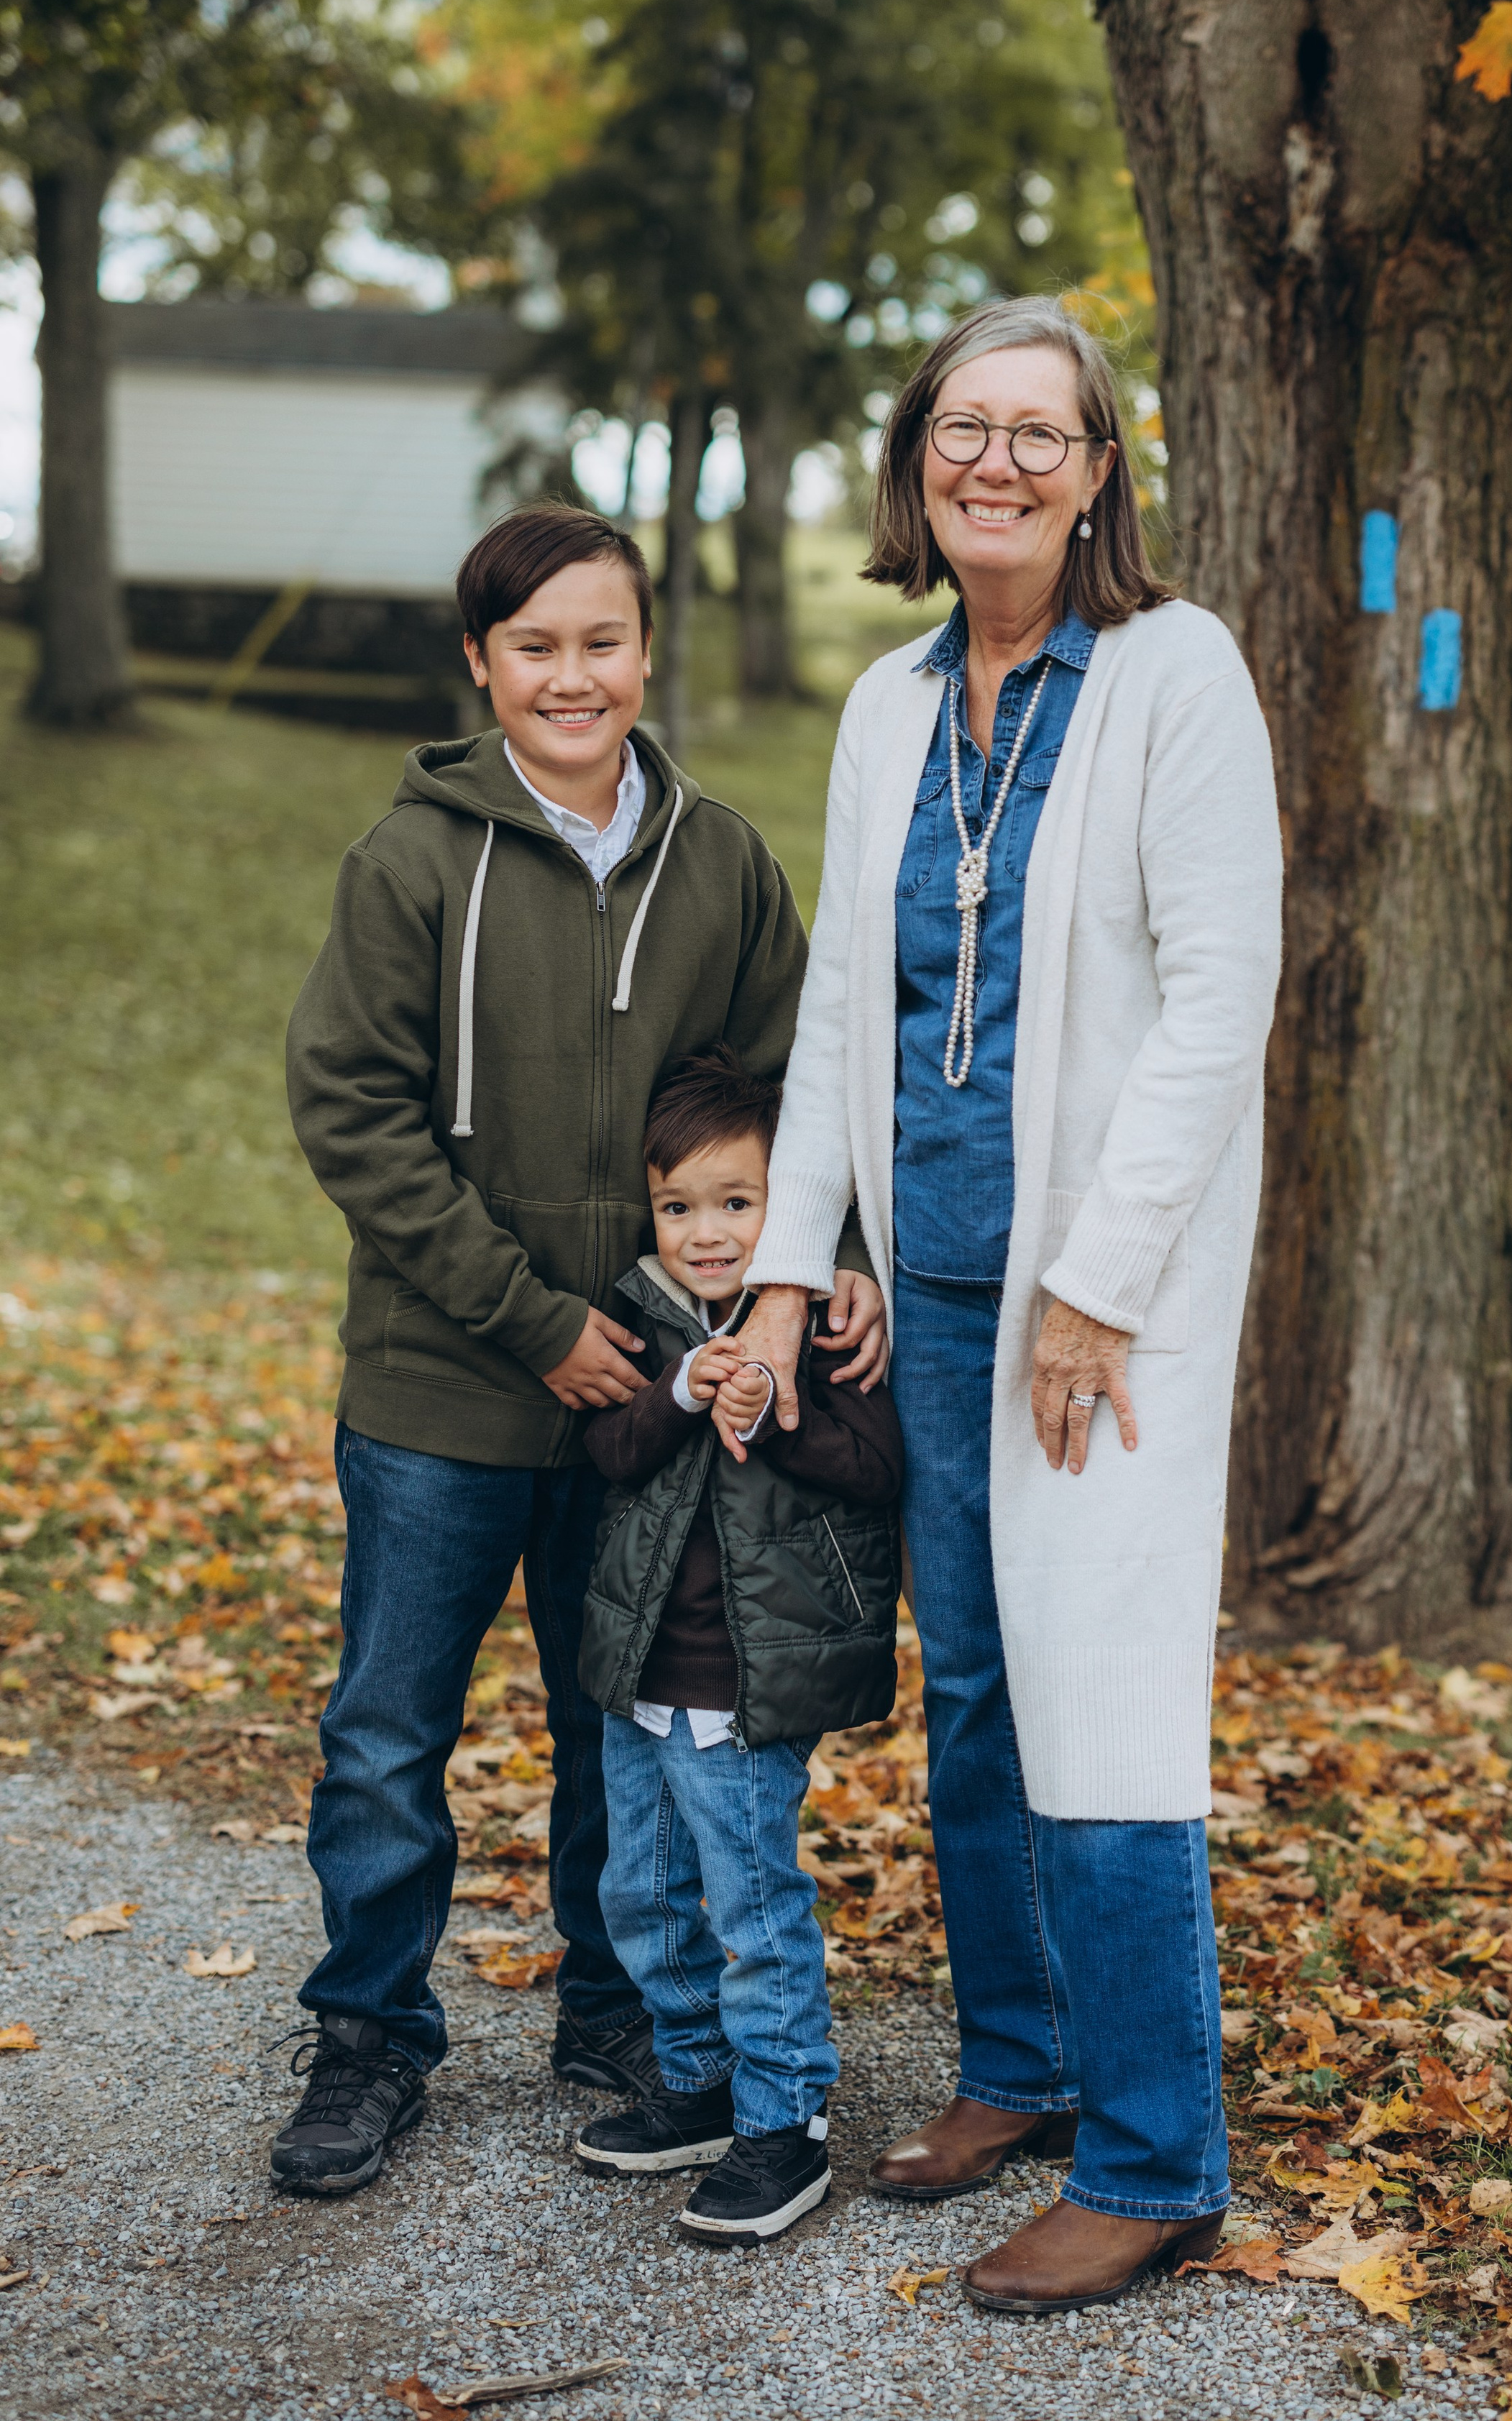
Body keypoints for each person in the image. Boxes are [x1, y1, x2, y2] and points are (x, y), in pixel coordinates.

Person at [733, 298, 1283, 2311]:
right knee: (972, 1685)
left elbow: (1219, 1000)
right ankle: (1022, 2060)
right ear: (918, 459)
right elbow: (840, 1010)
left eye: (1039, 433)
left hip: (1098, 1305)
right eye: (964, 427)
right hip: (933, 1293)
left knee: (1102, 1695)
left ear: (1098, 471)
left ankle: (1154, 2158)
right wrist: (792, 1263)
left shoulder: (1172, 671)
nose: (996, 463)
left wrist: (1095, 1288)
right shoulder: (888, 704)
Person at [275, 503, 884, 2198]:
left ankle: (628, 2016)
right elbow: (351, 1106)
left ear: (644, 651)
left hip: (658, 1401)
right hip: (445, 1384)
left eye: (601, 641)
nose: (571, 675)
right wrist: (535, 1320)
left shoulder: (722, 865)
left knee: (622, 1717)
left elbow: (795, 1101)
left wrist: (818, 1265)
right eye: (533, 645)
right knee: (388, 1729)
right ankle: (369, 2032)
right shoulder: (410, 863)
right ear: (480, 663)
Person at [568, 1048, 904, 2246]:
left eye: (736, 1202)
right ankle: (699, 2079)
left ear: (788, 1207)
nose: (705, 1233)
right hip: (640, 1672)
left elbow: (879, 1468)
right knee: (642, 1892)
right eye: (678, 1206)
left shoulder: (826, 1322)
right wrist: (680, 1393)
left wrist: (776, 1409)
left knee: (753, 1908)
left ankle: (784, 2120)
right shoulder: (641, 1312)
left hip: (745, 1680)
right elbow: (608, 1452)